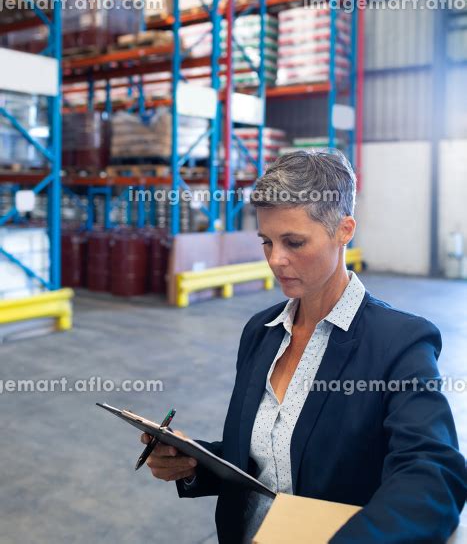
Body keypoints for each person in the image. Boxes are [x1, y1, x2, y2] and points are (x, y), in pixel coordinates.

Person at [141, 150, 467, 543]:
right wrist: (193, 462)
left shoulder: (399, 343)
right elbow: (267, 457)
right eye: (267, 241)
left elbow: (432, 474)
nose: (276, 260)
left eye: (294, 242)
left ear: (344, 230)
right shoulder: (261, 332)